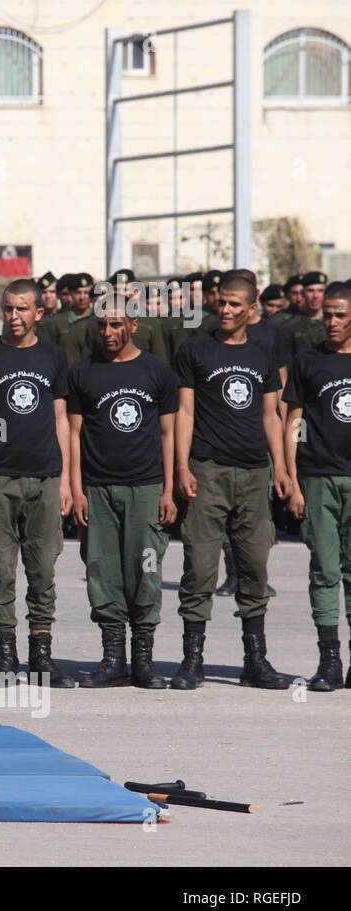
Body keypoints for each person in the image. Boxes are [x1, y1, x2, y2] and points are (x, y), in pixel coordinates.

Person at [173, 273, 291, 689]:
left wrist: (282, 471)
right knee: (200, 566)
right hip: (208, 469)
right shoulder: (194, 349)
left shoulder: (262, 353)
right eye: (221, 302)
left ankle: (255, 661)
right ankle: (192, 661)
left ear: (252, 308)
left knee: (255, 564)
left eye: (235, 304)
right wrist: (182, 466)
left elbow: (271, 417)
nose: (225, 310)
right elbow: (184, 413)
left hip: (254, 472)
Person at [0, 277, 74, 685]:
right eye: (8, 308)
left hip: (45, 476)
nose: (14, 316)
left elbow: (61, 418)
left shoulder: (53, 356)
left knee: (43, 567)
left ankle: (41, 654)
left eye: (22, 309)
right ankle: (5, 655)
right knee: (0, 568)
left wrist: (64, 480)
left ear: (38, 313)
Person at [68, 303, 177, 688]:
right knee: (102, 572)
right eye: (102, 325)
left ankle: (144, 660)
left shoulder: (157, 371)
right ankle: (113, 657)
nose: (108, 332)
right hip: (98, 490)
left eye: (116, 324)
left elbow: (168, 433)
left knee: (146, 571)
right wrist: (76, 489)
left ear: (133, 324)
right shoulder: (82, 373)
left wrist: (168, 490)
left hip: (146, 488)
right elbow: (74, 434)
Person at [284, 282, 351, 691]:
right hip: (318, 478)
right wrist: (292, 480)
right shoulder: (308, 362)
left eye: (340, 314)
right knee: (324, 572)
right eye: (326, 314)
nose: (330, 322)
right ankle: (330, 661)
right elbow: (294, 422)